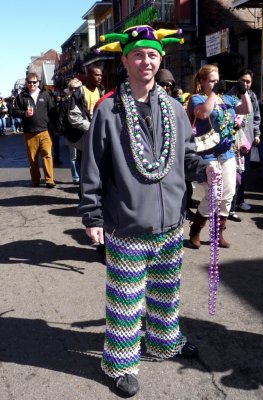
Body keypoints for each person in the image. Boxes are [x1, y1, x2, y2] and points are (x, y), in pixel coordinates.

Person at [78, 25, 220, 398]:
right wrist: (92, 217)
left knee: (166, 294)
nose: (146, 61)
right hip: (126, 225)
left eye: (152, 55)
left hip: (172, 223)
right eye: (138, 54)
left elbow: (186, 157)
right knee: (125, 301)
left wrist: (204, 168)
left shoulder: (174, 108)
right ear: (124, 60)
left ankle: (164, 341)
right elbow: (93, 167)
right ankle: (121, 364)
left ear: (161, 60)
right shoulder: (108, 109)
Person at [187, 64, 251, 249]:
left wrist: (243, 91)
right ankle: (196, 229)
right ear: (202, 82)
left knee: (228, 193)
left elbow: (244, 110)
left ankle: (218, 234)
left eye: (217, 80)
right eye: (212, 81)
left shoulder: (227, 99)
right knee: (214, 193)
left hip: (227, 151)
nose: (216, 83)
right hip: (207, 153)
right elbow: (203, 113)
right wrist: (214, 93)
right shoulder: (197, 98)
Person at [228, 68, 261, 221]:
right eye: (243, 81)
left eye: (248, 82)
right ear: (237, 80)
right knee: (233, 175)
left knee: (243, 173)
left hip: (246, 142)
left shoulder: (253, 96)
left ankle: (240, 201)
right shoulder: (230, 95)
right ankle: (229, 204)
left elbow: (256, 118)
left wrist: (256, 134)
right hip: (232, 141)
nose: (245, 84)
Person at [14, 73, 56, 188]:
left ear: (38, 83)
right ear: (26, 83)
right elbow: (14, 111)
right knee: (32, 159)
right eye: (29, 82)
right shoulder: (21, 96)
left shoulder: (45, 95)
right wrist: (24, 113)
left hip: (44, 131)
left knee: (47, 155)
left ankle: (49, 180)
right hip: (29, 132)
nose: (32, 84)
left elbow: (52, 112)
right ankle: (36, 180)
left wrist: (55, 127)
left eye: (34, 82)